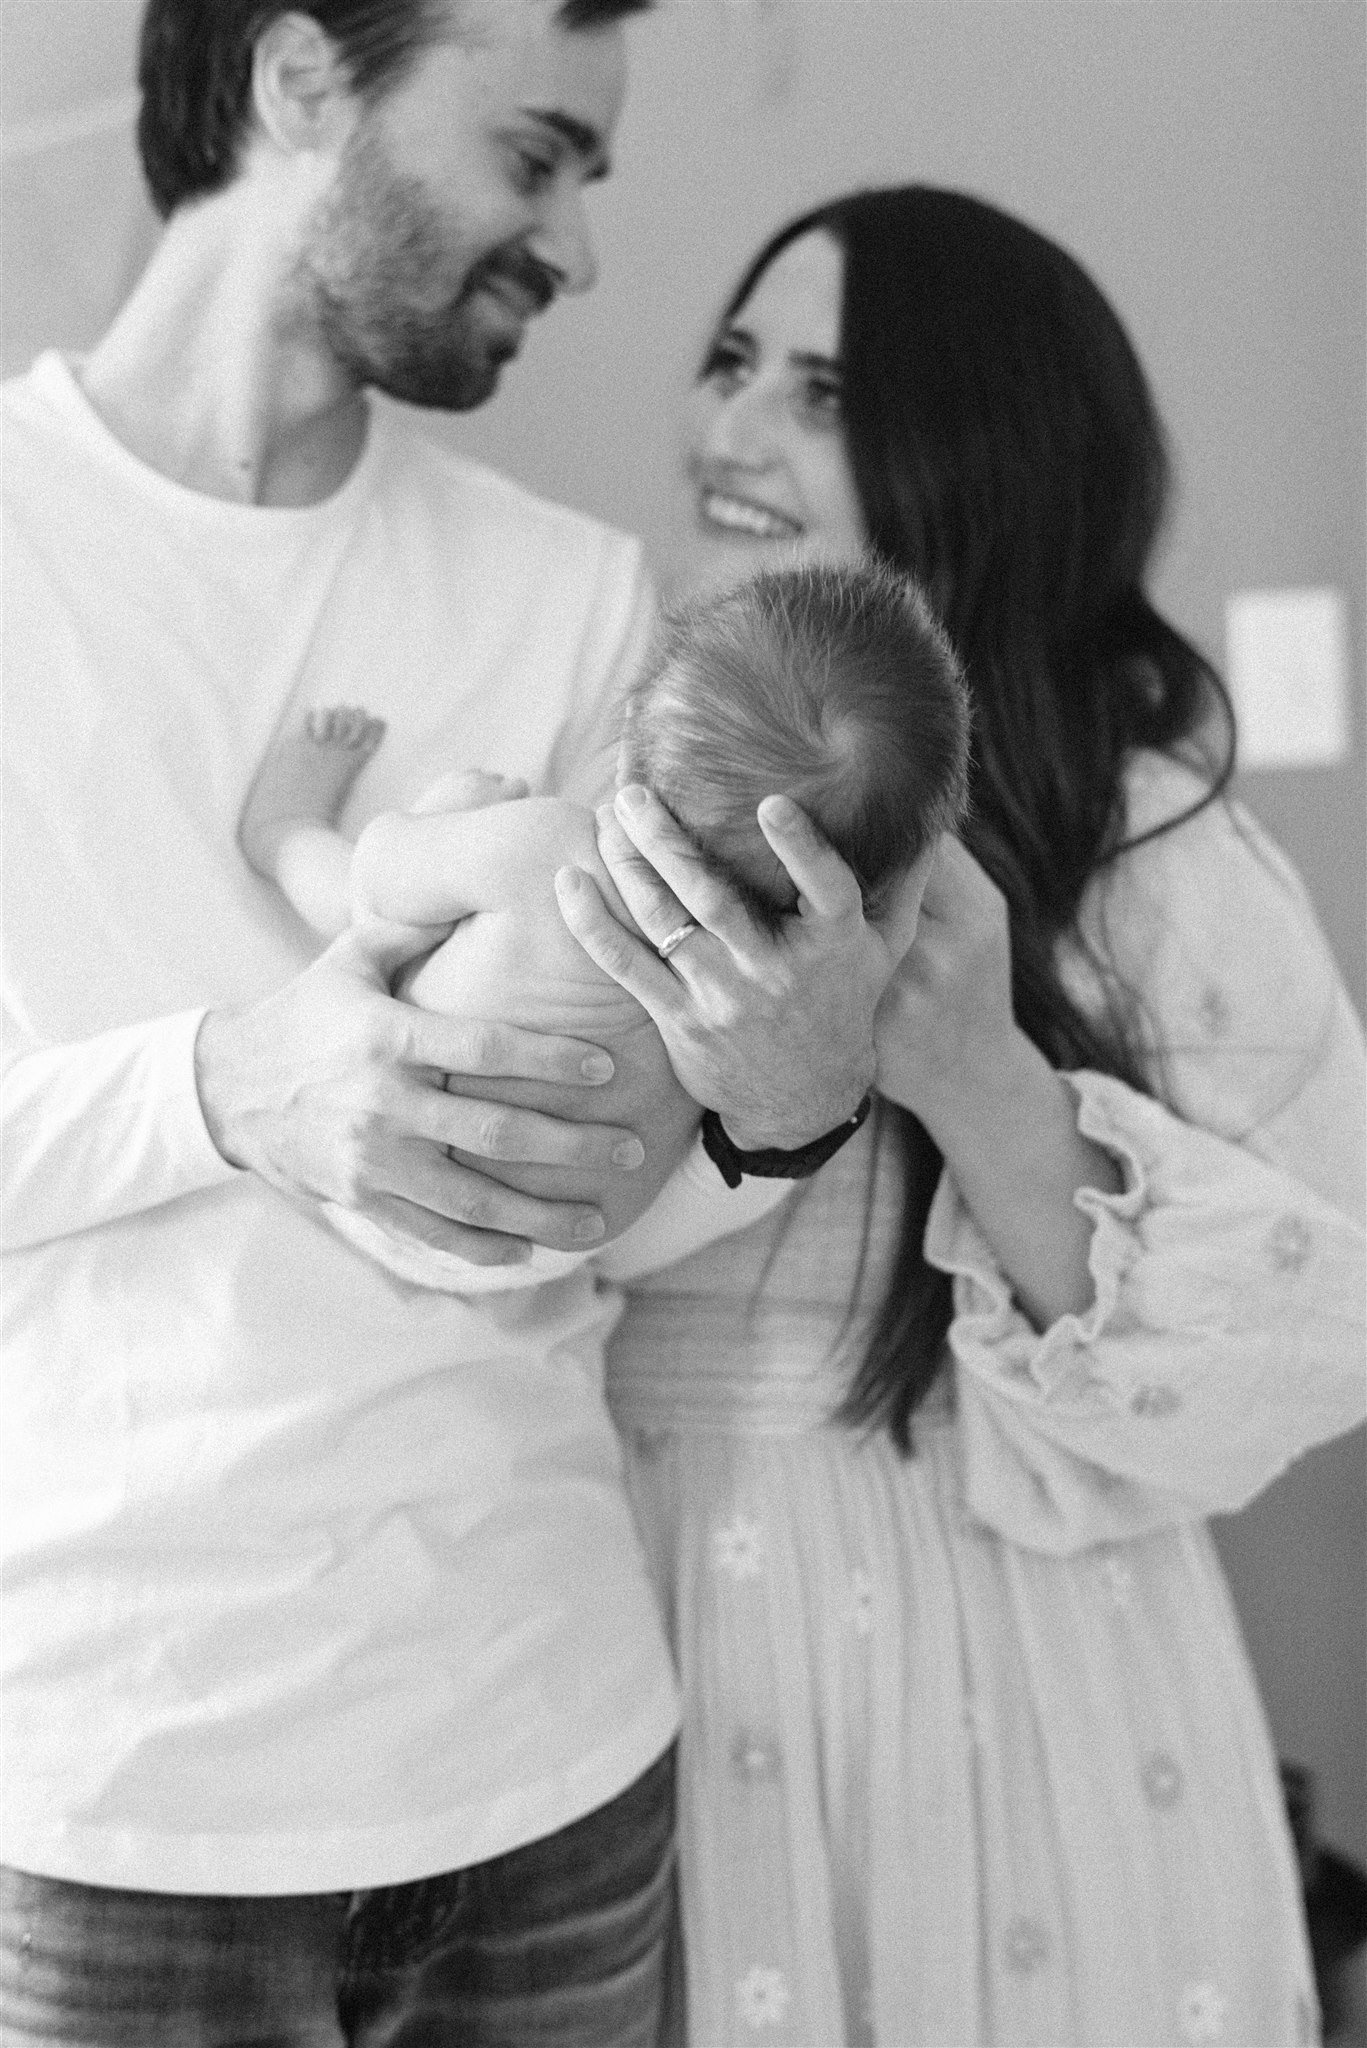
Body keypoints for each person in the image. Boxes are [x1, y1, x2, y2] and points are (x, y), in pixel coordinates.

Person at [0, 3, 912, 2035]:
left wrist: (781, 1113)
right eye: (533, 155)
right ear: (301, 81)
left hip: (545, 1756)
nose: (581, 249)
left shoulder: (577, 600)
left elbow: (595, 1200)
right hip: (115, 1789)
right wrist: (228, 1085)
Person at [550, 189, 1367, 2046]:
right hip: (634, 1630)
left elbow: (1296, 1346)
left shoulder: (1153, 847)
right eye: (734, 362)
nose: (731, 430)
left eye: (823, 388)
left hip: (1023, 1679)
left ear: (979, 448)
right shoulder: (599, 769)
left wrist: (974, 1068)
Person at [236, 559, 971, 1270]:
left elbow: (377, 883)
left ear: (628, 747)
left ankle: (282, 829)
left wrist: (450, 814)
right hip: (551, 1247)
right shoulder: (798, 999)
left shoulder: (547, 851)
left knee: (366, 909)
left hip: (379, 1183)